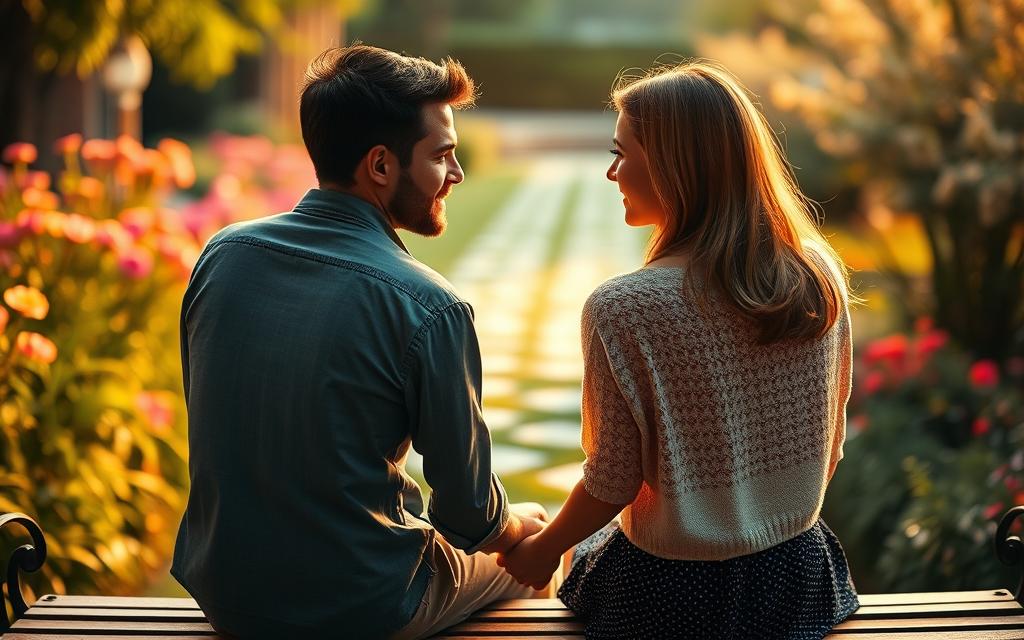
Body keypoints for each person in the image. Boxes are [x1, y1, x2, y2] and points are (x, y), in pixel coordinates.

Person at [171, 45, 557, 640]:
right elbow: (468, 516)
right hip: (359, 606)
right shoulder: (428, 304)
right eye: (443, 157)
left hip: (226, 593)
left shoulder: (222, 256)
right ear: (380, 166)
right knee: (530, 555)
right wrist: (521, 530)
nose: (456, 175)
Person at [497, 60, 860, 639]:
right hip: (798, 582)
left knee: (577, 552)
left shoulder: (624, 307)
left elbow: (610, 482)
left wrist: (542, 549)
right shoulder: (818, 275)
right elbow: (831, 442)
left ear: (672, 165)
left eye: (621, 153)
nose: (612, 173)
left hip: (670, 597)